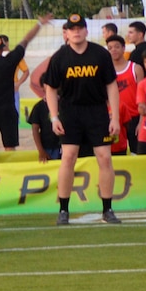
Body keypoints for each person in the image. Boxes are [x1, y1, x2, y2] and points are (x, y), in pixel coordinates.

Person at [42, 12, 121, 225]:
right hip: (70, 111)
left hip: (97, 111)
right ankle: (63, 210)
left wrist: (115, 116)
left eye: (80, 28)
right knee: (68, 157)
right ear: (66, 33)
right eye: (72, 29)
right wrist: (54, 117)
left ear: (86, 30)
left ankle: (107, 209)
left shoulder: (100, 54)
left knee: (104, 157)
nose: (76, 32)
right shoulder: (60, 57)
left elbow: (111, 85)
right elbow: (50, 88)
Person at [0, 16, 52, 152]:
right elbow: (26, 40)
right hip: (8, 109)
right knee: (10, 147)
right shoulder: (10, 60)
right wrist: (39, 24)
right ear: (3, 48)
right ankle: (9, 172)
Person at [107, 34, 142, 153]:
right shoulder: (105, 71)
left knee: (135, 153)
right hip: (114, 118)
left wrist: (142, 121)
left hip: (134, 117)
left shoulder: (135, 68)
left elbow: (143, 96)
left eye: (116, 47)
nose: (113, 50)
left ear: (123, 48)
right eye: (110, 48)